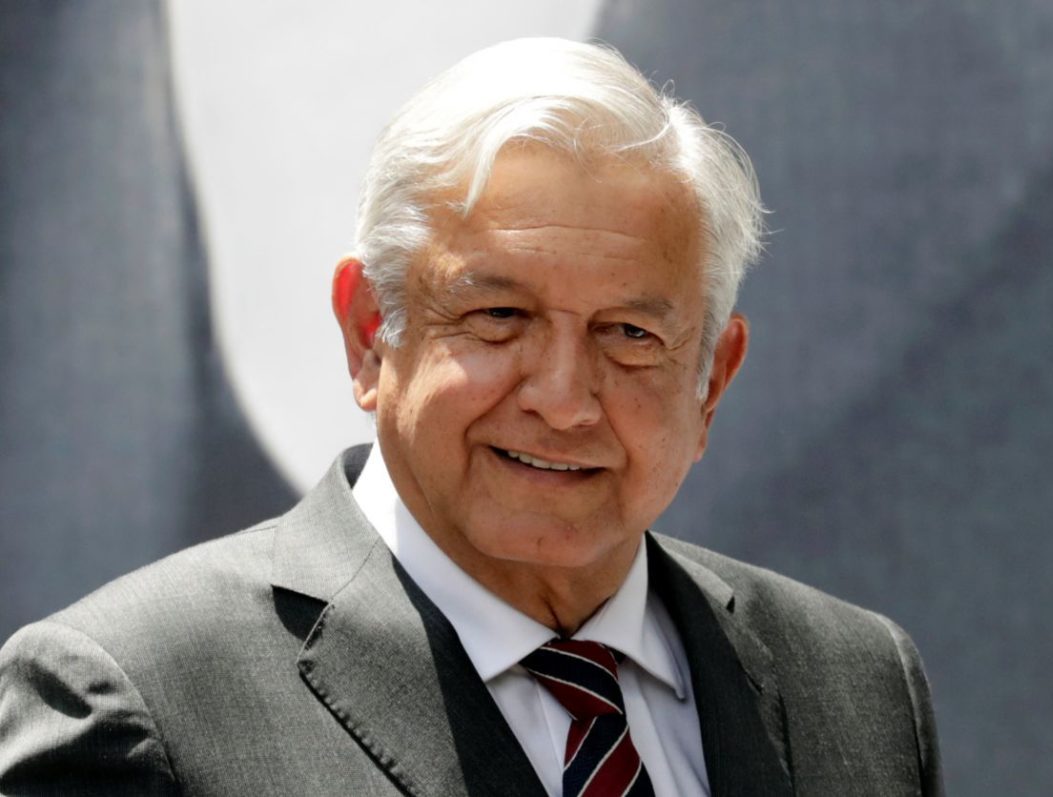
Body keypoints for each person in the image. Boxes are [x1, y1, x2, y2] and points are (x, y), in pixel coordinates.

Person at [0, 38, 942, 796]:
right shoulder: (136, 699)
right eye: (498, 316)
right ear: (370, 336)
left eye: (629, 334)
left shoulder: (857, 688)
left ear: (712, 381)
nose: (563, 398)